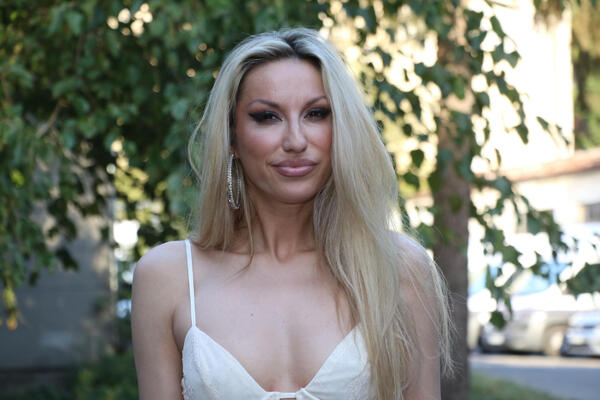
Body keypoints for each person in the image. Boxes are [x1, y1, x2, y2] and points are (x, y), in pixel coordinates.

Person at [131, 28, 452, 400]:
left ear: (341, 127)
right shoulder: (169, 277)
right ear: (232, 137)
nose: (296, 141)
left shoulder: (398, 268)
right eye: (268, 117)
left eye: (316, 114)